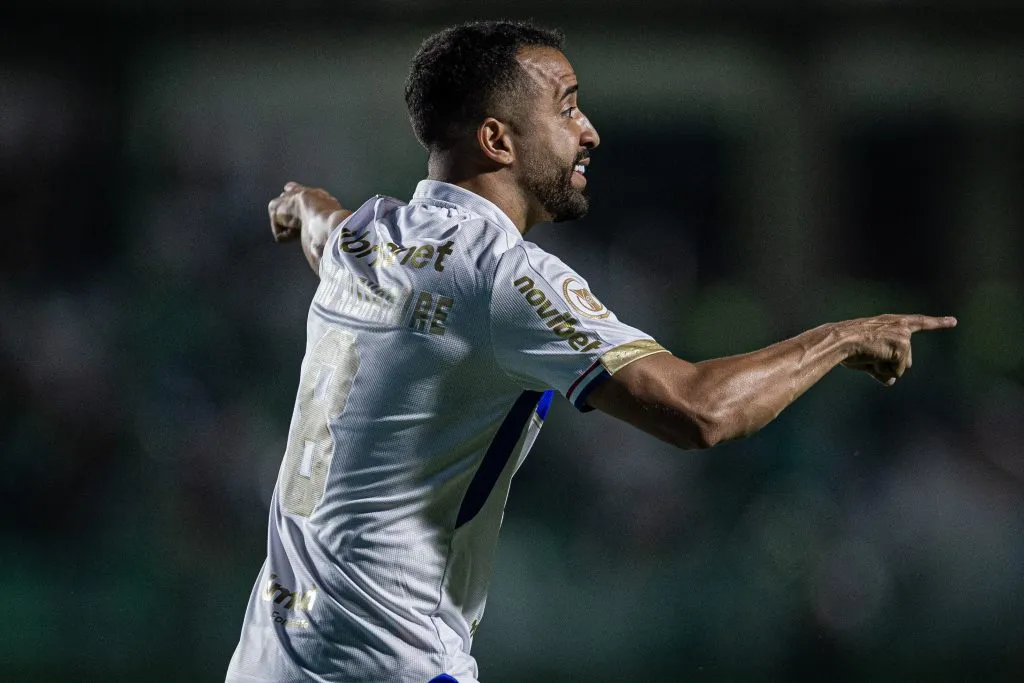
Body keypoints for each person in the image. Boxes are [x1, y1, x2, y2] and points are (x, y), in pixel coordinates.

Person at [226, 20, 956, 683]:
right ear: (497, 140)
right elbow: (698, 410)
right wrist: (843, 336)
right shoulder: (501, 273)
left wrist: (298, 204)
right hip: (390, 666)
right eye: (568, 106)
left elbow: (320, 222)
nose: (590, 131)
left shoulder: (366, 238)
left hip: (267, 659)